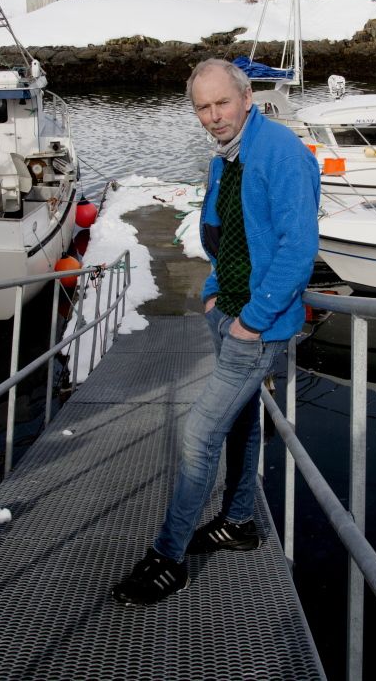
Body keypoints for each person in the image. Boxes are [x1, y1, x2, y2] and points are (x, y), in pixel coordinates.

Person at [111, 58, 320, 607]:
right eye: (202, 107)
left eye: (221, 103)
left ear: (246, 97)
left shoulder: (282, 154)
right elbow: (220, 228)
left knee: (198, 433)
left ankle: (169, 558)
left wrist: (253, 319)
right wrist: (212, 289)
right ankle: (239, 522)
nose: (212, 116)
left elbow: (299, 249)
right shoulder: (228, 157)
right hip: (225, 311)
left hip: (256, 324)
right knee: (240, 424)